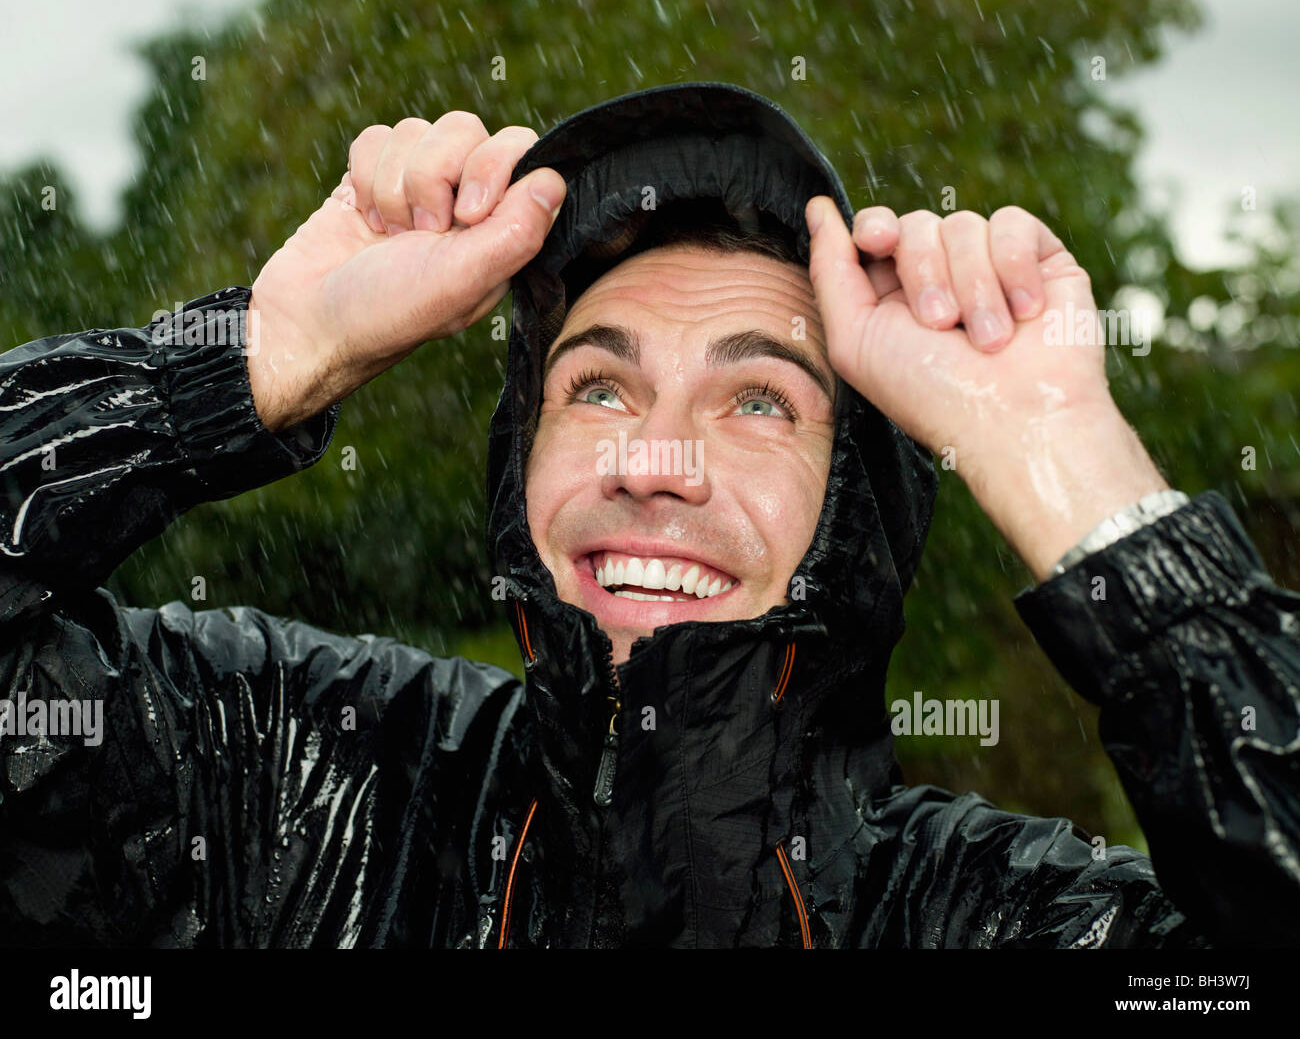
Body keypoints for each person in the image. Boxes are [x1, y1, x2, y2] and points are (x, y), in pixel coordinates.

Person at [1, 82, 1296, 948]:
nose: (655, 458)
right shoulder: (301, 782)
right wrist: (249, 363)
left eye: (760, 403)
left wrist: (1068, 460)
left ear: (858, 507)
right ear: (521, 472)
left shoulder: (1000, 920)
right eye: (601, 384)